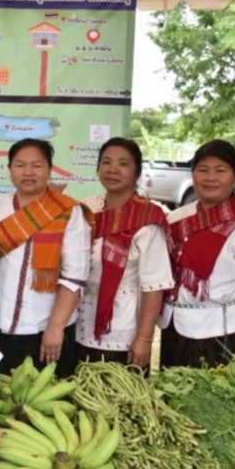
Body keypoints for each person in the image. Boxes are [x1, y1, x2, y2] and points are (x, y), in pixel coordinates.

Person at [160, 139, 235, 373]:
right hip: (173, 330)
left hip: (221, 336)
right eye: (203, 170)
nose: (210, 177)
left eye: (220, 170)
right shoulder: (176, 219)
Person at [0, 138, 92, 376]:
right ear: (10, 169)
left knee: (45, 395)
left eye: (37, 165)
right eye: (20, 165)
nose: (28, 172)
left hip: (46, 331)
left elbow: (75, 277)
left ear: (49, 169)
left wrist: (55, 328)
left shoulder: (69, 211)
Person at [76, 138, 173, 370]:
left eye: (123, 163)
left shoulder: (147, 217)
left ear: (136, 172)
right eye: (106, 162)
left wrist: (144, 338)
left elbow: (154, 285)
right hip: (80, 319)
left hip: (123, 327)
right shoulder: (86, 209)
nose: (113, 169)